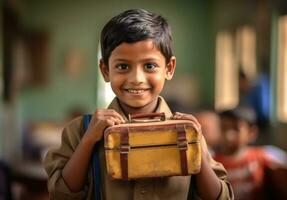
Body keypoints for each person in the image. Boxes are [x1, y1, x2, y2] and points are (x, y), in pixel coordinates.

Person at [43, 9, 233, 200]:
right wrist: (88, 141)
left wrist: (193, 146)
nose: (136, 79)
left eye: (149, 66)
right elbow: (61, 194)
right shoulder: (80, 131)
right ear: (105, 70)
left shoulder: (188, 131)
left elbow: (222, 197)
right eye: (123, 66)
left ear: (169, 68)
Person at [214, 106, 287, 200]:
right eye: (224, 128)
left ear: (252, 132)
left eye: (236, 129)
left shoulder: (261, 156)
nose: (229, 135)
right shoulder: (214, 162)